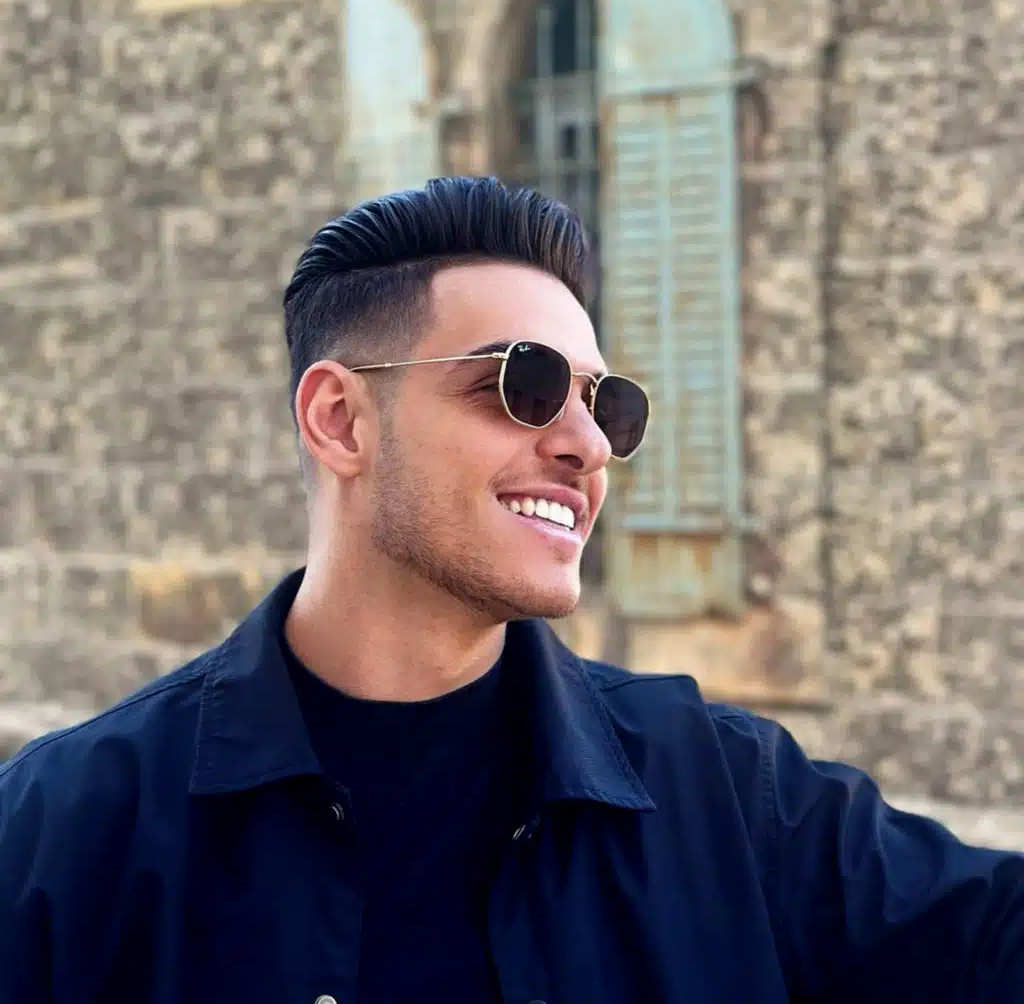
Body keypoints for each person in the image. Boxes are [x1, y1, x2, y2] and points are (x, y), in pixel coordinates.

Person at [0, 176, 1021, 1004]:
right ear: (341, 421)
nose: (586, 445)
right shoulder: (64, 833)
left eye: (605, 405)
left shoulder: (730, 800)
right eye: (521, 385)